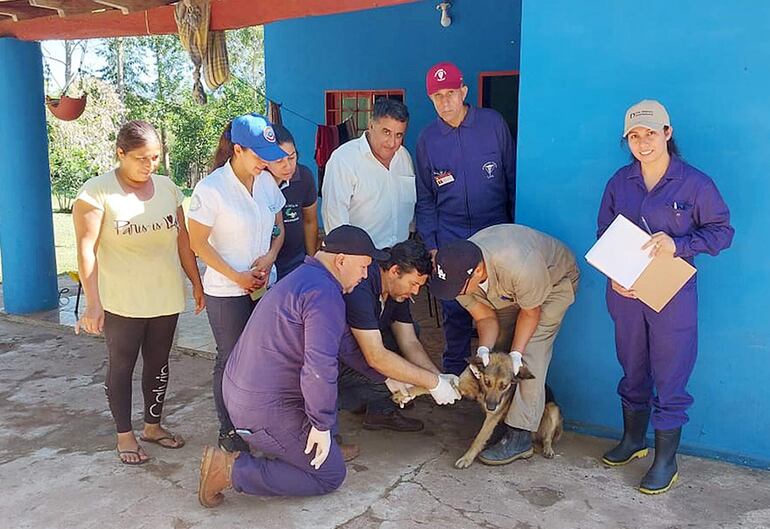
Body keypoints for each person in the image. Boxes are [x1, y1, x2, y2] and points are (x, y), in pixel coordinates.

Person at [197, 226, 461, 506]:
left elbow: (346, 346)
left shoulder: (308, 277)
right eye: (363, 267)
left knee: (325, 438)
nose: (363, 276)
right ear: (341, 260)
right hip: (261, 408)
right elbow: (318, 367)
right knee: (329, 475)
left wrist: (386, 379)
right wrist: (322, 426)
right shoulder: (324, 294)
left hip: (247, 394)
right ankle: (229, 471)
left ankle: (288, 446)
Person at [597, 100, 734, 494]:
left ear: (667, 134)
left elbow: (722, 232)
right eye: (635, 137)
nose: (643, 143)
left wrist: (679, 245)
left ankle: (665, 459)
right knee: (632, 365)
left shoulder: (695, 184)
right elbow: (604, 232)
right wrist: (613, 275)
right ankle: (633, 440)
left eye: (651, 134)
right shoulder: (619, 182)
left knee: (671, 374)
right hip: (625, 293)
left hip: (672, 294)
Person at [72, 120, 204, 465]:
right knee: (122, 366)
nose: (149, 166)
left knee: (158, 364)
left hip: (164, 294)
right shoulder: (96, 193)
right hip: (122, 299)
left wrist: (196, 281)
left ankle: (152, 426)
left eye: (156, 158)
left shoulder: (167, 188)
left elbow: (183, 239)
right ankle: (124, 434)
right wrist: (93, 303)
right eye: (141, 158)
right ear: (120, 154)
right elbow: (86, 250)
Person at [431, 224, 579, 466]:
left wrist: (517, 355)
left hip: (553, 284)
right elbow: (484, 317)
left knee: (530, 356)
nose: (454, 293)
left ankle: (520, 435)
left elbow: (531, 313)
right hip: (507, 290)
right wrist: (483, 351)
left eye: (457, 288)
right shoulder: (458, 272)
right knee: (497, 351)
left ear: (478, 271)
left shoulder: (519, 265)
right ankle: (501, 420)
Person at [187, 113, 287, 453]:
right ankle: (229, 429)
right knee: (230, 358)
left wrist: (271, 255)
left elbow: (278, 228)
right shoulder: (211, 189)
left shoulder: (267, 183)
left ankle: (259, 423)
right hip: (227, 292)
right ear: (238, 149)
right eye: (258, 155)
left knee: (264, 358)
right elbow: (197, 243)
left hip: (263, 286)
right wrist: (237, 276)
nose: (265, 162)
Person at [415, 61, 516, 376]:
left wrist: (513, 231)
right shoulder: (428, 139)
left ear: (464, 92)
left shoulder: (493, 124)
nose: (445, 102)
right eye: (437, 96)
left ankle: (495, 375)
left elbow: (513, 180)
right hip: (450, 235)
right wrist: (432, 245)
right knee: (455, 308)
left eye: (450, 93)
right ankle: (455, 376)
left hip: (495, 233)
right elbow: (425, 198)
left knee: (500, 308)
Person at [338, 239, 442, 434]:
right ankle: (337, 414)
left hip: (363, 350)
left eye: (420, 286)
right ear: (394, 271)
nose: (415, 292)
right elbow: (375, 356)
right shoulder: (360, 288)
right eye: (413, 283)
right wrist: (429, 383)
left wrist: (439, 377)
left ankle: (380, 412)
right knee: (389, 383)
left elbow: (410, 341)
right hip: (337, 361)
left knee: (411, 333)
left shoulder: (396, 291)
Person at [321, 98, 416, 248]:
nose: (392, 143)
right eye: (386, 132)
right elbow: (334, 219)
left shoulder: (404, 157)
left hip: (400, 255)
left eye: (398, 135)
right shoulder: (344, 160)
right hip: (362, 258)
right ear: (371, 125)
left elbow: (408, 211)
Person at [265, 124, 319, 280]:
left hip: (295, 264)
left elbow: (310, 221)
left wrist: (311, 261)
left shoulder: (304, 177)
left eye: (291, 157)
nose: (288, 166)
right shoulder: (256, 183)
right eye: (279, 160)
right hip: (262, 265)